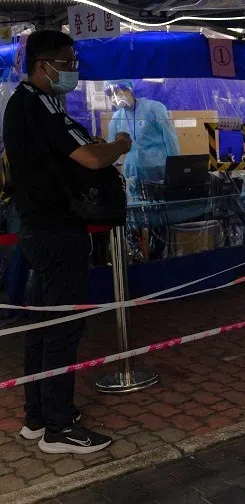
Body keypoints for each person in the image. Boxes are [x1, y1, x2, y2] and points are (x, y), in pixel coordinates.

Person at [3, 30, 133, 454]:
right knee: (63, 327)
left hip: (39, 228)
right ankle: (59, 428)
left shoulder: (29, 104)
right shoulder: (38, 106)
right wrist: (119, 143)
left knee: (44, 324)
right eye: (68, 62)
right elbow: (92, 158)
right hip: (57, 231)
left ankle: (38, 416)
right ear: (44, 65)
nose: (73, 70)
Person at [105, 79, 179, 194]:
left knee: (160, 201)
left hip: (157, 167)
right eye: (110, 95)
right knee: (135, 204)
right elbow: (111, 148)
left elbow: (170, 138)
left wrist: (175, 166)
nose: (114, 97)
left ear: (129, 90)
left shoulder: (153, 108)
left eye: (117, 92)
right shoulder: (116, 118)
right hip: (132, 170)